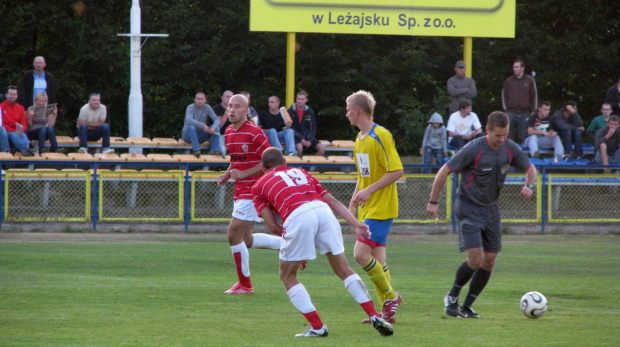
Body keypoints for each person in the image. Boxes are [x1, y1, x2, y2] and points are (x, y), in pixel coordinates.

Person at [251, 147, 394, 338]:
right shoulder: (301, 172)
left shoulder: (258, 186)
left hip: (297, 215)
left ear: (262, 166)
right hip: (323, 211)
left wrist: (294, 250)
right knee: (344, 269)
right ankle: (375, 315)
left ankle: (317, 327)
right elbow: (332, 200)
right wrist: (357, 224)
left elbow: (273, 226)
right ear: (285, 162)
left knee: (287, 276)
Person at [427, 111, 537, 319]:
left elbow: (530, 169)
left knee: (490, 260)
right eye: (498, 135)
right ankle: (452, 297)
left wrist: (530, 185)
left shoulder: (510, 148)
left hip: (491, 209)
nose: (502, 139)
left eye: (505, 135)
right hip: (468, 207)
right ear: (487, 130)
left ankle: (467, 306)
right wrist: (433, 202)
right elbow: (444, 171)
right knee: (475, 257)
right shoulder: (473, 149)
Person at [345, 90, 403, 324]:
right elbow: (363, 177)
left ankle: (392, 297)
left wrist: (370, 191)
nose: (346, 114)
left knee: (360, 255)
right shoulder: (359, 141)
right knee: (378, 260)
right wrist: (352, 204)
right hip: (367, 210)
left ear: (358, 111)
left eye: (348, 110)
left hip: (382, 208)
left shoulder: (381, 135)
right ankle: (386, 311)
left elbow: (397, 171)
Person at [217, 94, 282, 295]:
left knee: (233, 234)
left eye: (237, 107)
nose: (232, 110)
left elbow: (271, 161)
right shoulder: (228, 131)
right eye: (230, 106)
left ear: (246, 111)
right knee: (245, 240)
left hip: (254, 190)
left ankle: (245, 284)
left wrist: (244, 174)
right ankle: (288, 243)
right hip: (240, 189)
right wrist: (228, 175)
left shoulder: (255, 133)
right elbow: (236, 160)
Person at [502, 59, 537, 142]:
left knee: (524, 135)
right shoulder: (509, 81)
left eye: (517, 67)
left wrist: (533, 110)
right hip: (511, 111)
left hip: (525, 111)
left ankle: (523, 154)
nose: (514, 69)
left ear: (522, 68)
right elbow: (504, 95)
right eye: (514, 67)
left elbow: (534, 95)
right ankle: (509, 152)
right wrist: (505, 110)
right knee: (509, 134)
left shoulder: (529, 80)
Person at [181, 92, 221, 157]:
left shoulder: (207, 107)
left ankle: (215, 151)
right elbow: (189, 120)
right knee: (191, 127)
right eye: (198, 99)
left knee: (217, 128)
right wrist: (203, 125)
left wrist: (213, 127)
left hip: (200, 135)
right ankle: (197, 151)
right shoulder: (190, 107)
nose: (200, 101)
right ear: (195, 100)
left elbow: (217, 120)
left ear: (205, 100)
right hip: (188, 135)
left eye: (202, 99)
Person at [288, 91, 326, 156]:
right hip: (296, 138)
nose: (300, 101)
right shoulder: (290, 111)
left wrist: (310, 140)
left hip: (307, 137)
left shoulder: (310, 112)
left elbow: (313, 128)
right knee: (299, 148)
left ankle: (311, 166)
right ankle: (299, 165)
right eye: (298, 99)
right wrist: (300, 139)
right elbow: (290, 128)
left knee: (322, 148)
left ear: (306, 100)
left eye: (302, 99)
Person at [1, 86, 32, 155]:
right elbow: (1, 123)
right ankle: (27, 149)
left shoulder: (20, 108)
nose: (12, 96)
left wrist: (21, 130)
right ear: (6, 95)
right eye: (10, 94)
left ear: (17, 96)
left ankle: (27, 150)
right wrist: (12, 130)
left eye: (14, 94)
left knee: (21, 134)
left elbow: (24, 123)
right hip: (6, 131)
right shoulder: (1, 107)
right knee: (11, 133)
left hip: (17, 130)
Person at [213, 90, 234, 156]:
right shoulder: (216, 109)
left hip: (232, 135)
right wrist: (227, 111)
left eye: (231, 97)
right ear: (222, 98)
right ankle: (219, 166)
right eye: (227, 97)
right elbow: (220, 125)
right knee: (222, 150)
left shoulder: (235, 110)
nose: (229, 99)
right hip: (219, 135)